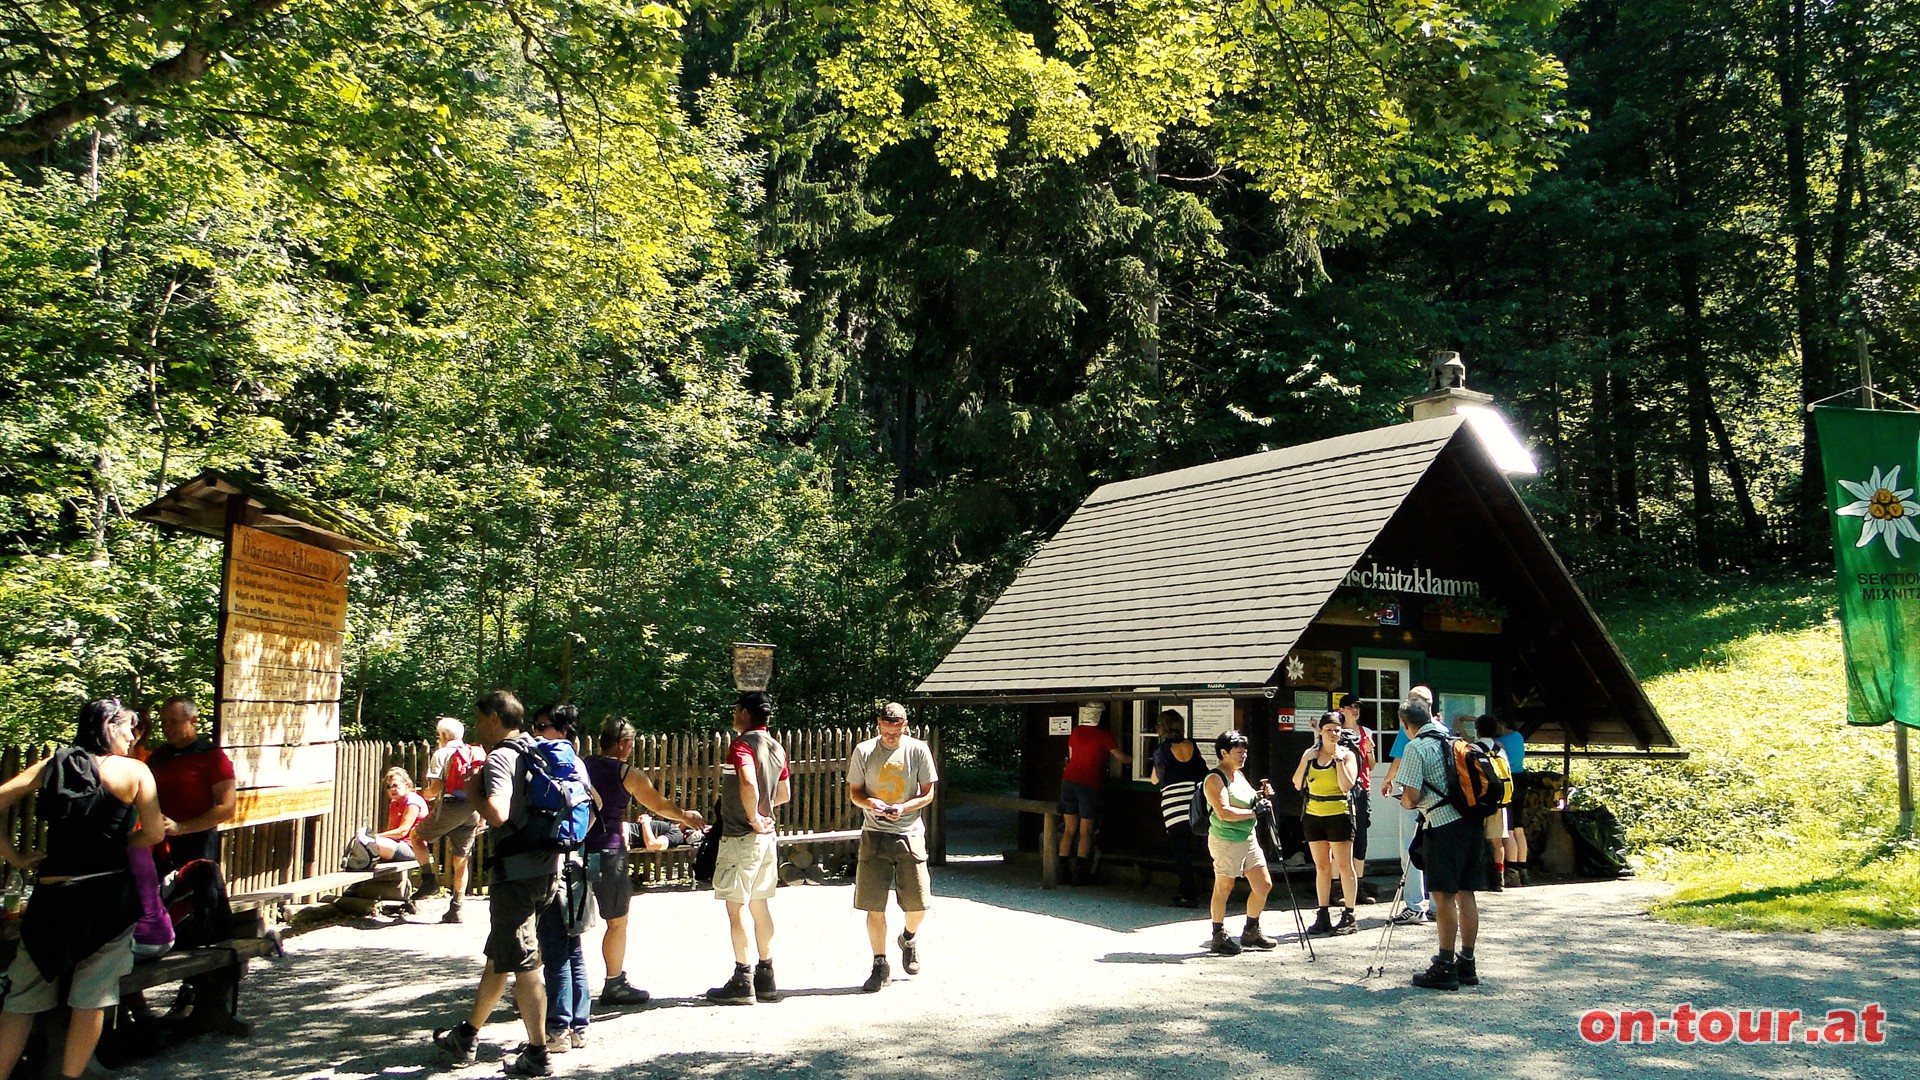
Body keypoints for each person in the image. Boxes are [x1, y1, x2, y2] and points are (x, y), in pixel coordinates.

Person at [0, 699, 165, 1080]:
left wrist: (16, 857)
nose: (133, 735)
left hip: (51, 899)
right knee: (92, 1000)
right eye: (129, 727)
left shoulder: (54, 764)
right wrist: (123, 841)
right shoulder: (135, 771)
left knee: (22, 999)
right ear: (109, 727)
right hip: (106, 901)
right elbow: (154, 833)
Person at [432, 690, 558, 1077]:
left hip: (516, 875)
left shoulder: (502, 757)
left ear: (494, 718)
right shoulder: (542, 750)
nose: (478, 726)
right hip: (546, 869)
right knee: (501, 952)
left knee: (524, 960)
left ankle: (538, 1053)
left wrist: (473, 793)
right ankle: (467, 1034)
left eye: (480, 718)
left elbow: (499, 814)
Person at [582, 717, 705, 1008]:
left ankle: (533, 983)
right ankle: (614, 984)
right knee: (616, 922)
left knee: (562, 922)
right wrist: (685, 817)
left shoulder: (581, 765)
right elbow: (659, 804)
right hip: (610, 852)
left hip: (576, 852)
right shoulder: (627, 773)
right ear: (624, 744)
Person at [1390, 697, 1484, 990]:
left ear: (1406, 724)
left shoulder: (1416, 747)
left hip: (1443, 826)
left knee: (1443, 897)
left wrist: (1404, 802)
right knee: (1466, 893)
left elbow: (1412, 797)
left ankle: (1444, 966)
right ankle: (1466, 963)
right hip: (1471, 821)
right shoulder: (1452, 738)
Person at [847, 702, 939, 993]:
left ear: (905, 726)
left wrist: (904, 807)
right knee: (873, 904)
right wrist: (869, 803)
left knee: (919, 902)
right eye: (886, 732)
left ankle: (908, 937)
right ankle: (879, 963)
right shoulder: (863, 751)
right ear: (879, 725)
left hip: (909, 832)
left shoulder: (918, 750)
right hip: (874, 833)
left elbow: (928, 793)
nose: (890, 737)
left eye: (895, 732)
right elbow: (855, 792)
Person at [705, 691, 790, 1005]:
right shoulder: (777, 747)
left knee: (735, 905)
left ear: (743, 713)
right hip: (766, 840)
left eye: (735, 710)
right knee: (760, 904)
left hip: (741, 837)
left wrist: (753, 816)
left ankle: (743, 978)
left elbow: (748, 780)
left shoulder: (741, 745)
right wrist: (765, 815)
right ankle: (766, 975)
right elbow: (784, 793)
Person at [529, 705, 590, 1055]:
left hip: (551, 865)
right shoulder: (577, 766)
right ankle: (580, 1026)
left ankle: (557, 1029)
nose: (537, 732)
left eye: (543, 727)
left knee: (554, 951)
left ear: (562, 730)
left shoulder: (541, 764)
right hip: (577, 864)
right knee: (574, 949)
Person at [1203, 730, 1276, 955]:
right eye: (1238, 752)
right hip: (1226, 840)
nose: (1243, 755)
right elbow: (1224, 812)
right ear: (1224, 753)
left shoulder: (1238, 774)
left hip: (1247, 838)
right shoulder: (1215, 778)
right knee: (1224, 887)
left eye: (1245, 751)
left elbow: (1247, 800)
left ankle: (1251, 930)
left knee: (1263, 885)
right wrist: (1255, 812)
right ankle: (1218, 935)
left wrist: (1261, 796)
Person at [146, 695, 235, 875]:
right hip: (158, 848)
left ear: (193, 720)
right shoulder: (157, 757)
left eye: (173, 722)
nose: (166, 728)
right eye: (163, 722)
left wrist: (180, 828)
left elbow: (227, 807)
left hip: (197, 847)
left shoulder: (212, 757)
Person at [411, 716, 488, 923]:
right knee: (460, 858)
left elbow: (435, 790)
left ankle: (428, 881)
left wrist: (423, 794)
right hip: (473, 809)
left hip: (451, 806)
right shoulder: (473, 753)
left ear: (443, 735)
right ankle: (457, 908)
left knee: (416, 836)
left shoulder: (442, 753)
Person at [1291, 711, 1358, 936]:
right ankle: (1323, 913)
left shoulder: (1348, 755)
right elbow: (1297, 783)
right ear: (1320, 731)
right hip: (1313, 814)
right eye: (1328, 729)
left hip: (1339, 813)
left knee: (1344, 865)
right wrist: (1304, 759)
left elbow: (1346, 786)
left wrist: (1338, 759)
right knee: (1321, 866)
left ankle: (1349, 915)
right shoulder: (1311, 754)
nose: (1333, 733)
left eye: (1337, 729)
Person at [1379, 685, 1434, 926]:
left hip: (1414, 799)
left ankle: (1414, 906)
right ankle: (1437, 904)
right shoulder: (1443, 729)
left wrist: (1387, 780)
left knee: (1410, 850)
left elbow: (1399, 760)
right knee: (1434, 852)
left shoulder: (1411, 728)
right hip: (1440, 804)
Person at [1056, 713, 1130, 886]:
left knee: (1068, 829)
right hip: (1088, 783)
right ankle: (1080, 873)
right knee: (1085, 830)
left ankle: (1062, 870)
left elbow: (1072, 756)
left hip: (1068, 780)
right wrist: (1142, 760)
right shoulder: (1104, 735)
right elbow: (1121, 758)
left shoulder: (1076, 732)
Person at [1149, 709, 1208, 908]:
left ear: (1163, 728)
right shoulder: (1191, 744)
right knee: (1196, 844)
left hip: (1173, 802)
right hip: (1193, 799)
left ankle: (1188, 894)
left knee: (1180, 849)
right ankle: (1198, 889)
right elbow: (1202, 771)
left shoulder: (1162, 750)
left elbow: (1155, 778)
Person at [1337, 692, 1376, 901]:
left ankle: (1357, 886)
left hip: (1362, 789)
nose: (1355, 710)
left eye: (1357, 707)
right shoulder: (1334, 731)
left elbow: (1371, 765)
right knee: (1341, 836)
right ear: (1341, 710)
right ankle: (1338, 887)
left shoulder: (1366, 732)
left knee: (1360, 836)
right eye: (1351, 706)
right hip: (1341, 789)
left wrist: (1369, 751)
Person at [1473, 716, 1510, 893]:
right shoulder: (1500, 750)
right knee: (1497, 842)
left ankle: (1477, 877)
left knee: (1476, 841)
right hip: (1499, 802)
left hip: (1479, 802)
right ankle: (1498, 880)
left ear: (1477, 730)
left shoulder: (1473, 748)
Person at [1495, 715, 1529, 886]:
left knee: (1507, 829)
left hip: (1509, 781)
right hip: (1522, 778)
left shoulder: (1500, 742)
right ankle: (1523, 869)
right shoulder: (1518, 737)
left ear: (1503, 724)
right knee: (1519, 827)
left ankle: (1512, 870)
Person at [372, 767, 428, 861]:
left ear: (406, 785)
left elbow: (402, 832)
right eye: (388, 787)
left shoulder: (413, 801)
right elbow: (391, 830)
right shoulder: (394, 803)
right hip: (396, 844)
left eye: (395, 785)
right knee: (365, 843)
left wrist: (375, 836)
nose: (392, 790)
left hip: (413, 848)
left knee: (370, 842)